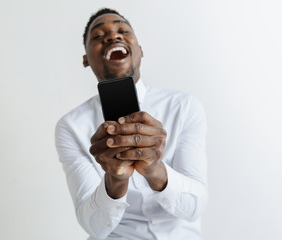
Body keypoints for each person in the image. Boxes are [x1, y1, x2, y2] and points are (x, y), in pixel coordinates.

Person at [55, 8, 208, 240]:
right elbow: (94, 227)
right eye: (97, 36)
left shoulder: (184, 107)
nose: (112, 37)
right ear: (86, 59)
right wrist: (115, 179)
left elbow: (194, 207)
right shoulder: (71, 126)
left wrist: (156, 171)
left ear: (140, 50)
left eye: (123, 30)